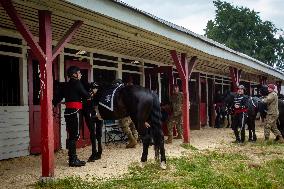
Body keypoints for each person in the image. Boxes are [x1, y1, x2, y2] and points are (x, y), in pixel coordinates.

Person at [64, 66, 92, 167]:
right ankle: (73, 159)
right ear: (74, 74)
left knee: (71, 135)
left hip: (68, 111)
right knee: (74, 136)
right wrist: (92, 93)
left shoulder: (67, 84)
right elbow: (86, 95)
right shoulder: (77, 83)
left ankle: (72, 157)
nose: (80, 74)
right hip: (75, 112)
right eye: (79, 73)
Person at [118, 76, 139, 148]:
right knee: (134, 127)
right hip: (134, 114)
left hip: (127, 114)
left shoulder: (126, 91)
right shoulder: (136, 91)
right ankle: (134, 141)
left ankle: (132, 140)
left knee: (124, 125)